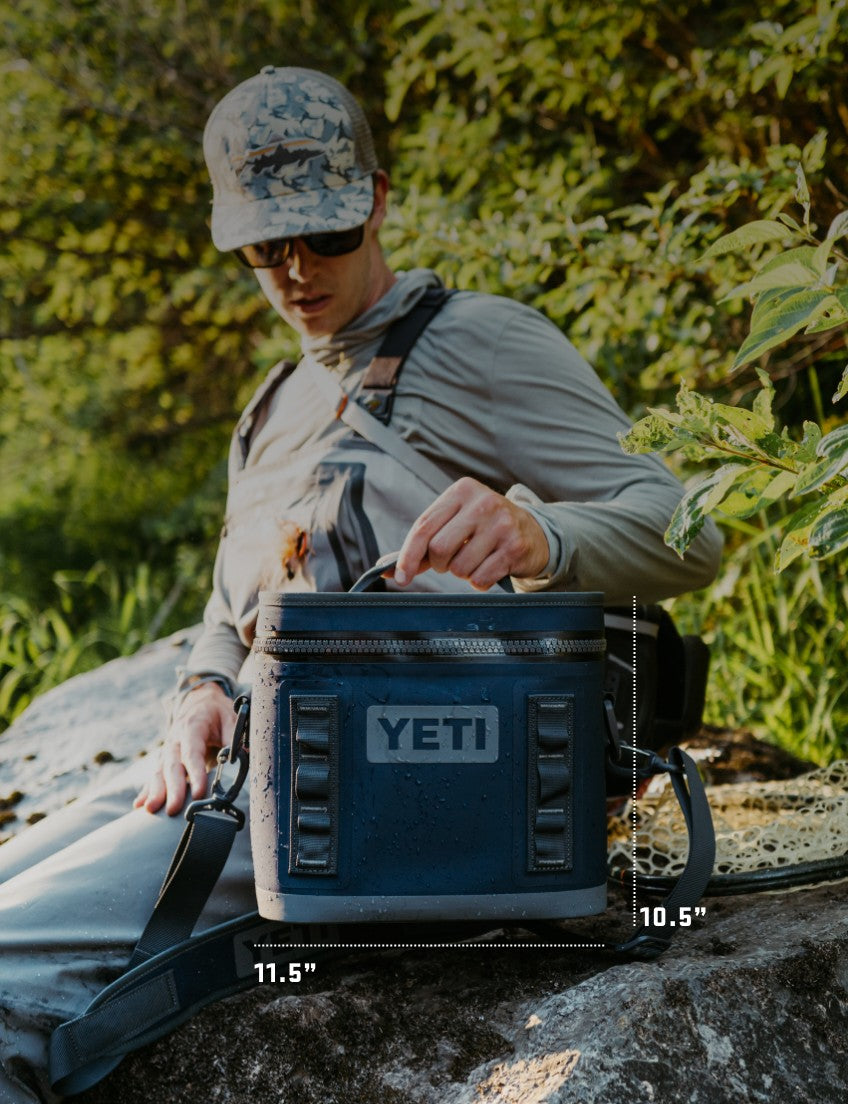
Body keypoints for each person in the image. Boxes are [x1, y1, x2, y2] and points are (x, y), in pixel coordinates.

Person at [0, 66, 722, 1102]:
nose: (296, 270)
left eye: (327, 233)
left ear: (378, 199)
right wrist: (200, 689)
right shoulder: (272, 402)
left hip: (365, 807)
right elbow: (226, 608)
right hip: (236, 784)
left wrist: (538, 533)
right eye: (265, 245)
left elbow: (688, 534)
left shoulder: (476, 341)